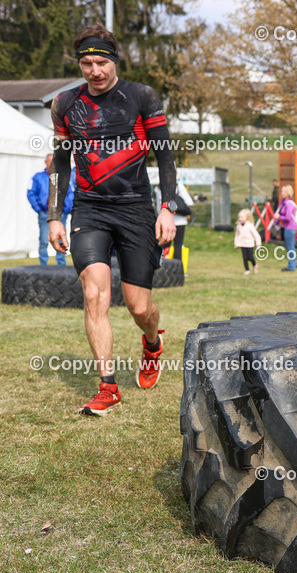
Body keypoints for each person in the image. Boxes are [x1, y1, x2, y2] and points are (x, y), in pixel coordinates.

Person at [47, 24, 177, 416]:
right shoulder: (64, 104)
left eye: (101, 61)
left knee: (139, 307)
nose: (94, 70)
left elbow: (165, 158)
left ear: (114, 60)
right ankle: (107, 386)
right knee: (94, 295)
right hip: (89, 209)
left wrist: (167, 207)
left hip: (136, 208)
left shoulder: (141, 96)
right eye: (86, 63)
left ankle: (152, 345)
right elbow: (61, 164)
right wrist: (55, 216)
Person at [27, 154, 73, 266]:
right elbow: (31, 193)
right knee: (44, 239)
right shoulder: (38, 177)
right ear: (45, 162)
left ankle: (61, 264)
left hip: (61, 213)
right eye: (50, 161)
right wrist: (40, 209)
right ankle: (43, 264)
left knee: (61, 239)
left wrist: (67, 208)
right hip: (45, 212)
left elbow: (71, 193)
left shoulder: (64, 177)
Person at [276, 184, 297, 271]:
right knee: (290, 245)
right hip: (289, 227)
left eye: (284, 191)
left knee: (290, 246)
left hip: (290, 227)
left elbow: (288, 217)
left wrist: (279, 217)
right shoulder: (285, 202)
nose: (282, 193)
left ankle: (291, 265)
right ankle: (294, 263)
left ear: (288, 193)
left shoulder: (288, 204)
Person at [235, 208, 262, 275]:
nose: (240, 218)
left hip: (250, 244)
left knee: (250, 257)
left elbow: (256, 235)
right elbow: (237, 235)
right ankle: (247, 270)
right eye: (239, 217)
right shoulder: (238, 226)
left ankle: (254, 265)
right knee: (245, 258)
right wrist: (236, 243)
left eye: (242, 217)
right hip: (242, 244)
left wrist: (258, 244)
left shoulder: (250, 226)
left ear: (247, 218)